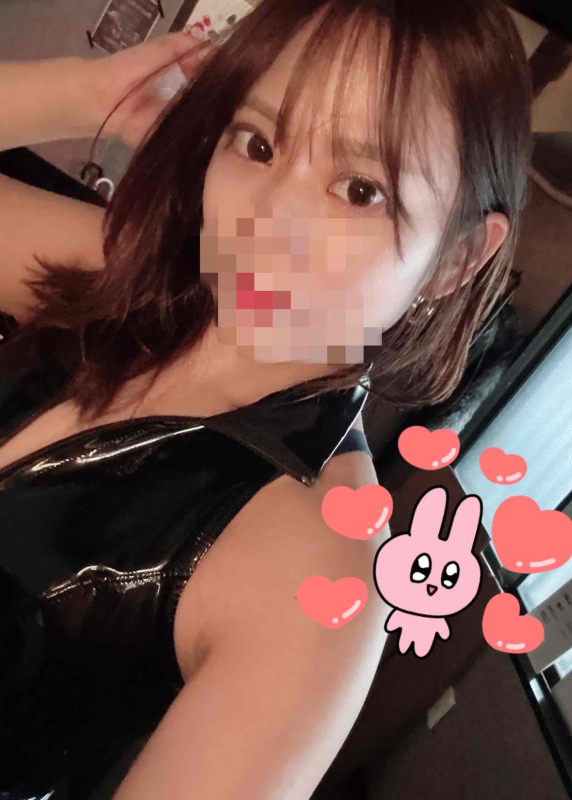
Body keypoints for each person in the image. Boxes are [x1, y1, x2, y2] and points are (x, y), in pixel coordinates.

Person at [0, 1, 532, 797]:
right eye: (258, 144)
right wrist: (80, 93)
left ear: (457, 258)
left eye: (360, 189)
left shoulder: (309, 572)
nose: (267, 217)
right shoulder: (123, 286)